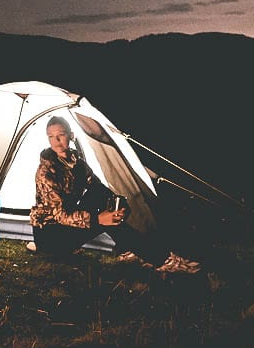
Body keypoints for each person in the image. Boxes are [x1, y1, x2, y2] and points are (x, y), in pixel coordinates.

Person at [30, 116, 200, 274]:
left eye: (61, 134)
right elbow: (60, 215)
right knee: (106, 221)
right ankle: (161, 259)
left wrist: (119, 202)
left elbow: (96, 186)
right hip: (50, 235)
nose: (57, 141)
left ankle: (128, 248)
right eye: (51, 136)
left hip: (68, 227)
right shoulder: (46, 171)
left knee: (101, 196)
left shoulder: (77, 163)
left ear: (71, 135)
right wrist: (98, 219)